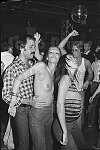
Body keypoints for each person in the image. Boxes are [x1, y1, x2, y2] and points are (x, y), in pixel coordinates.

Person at [7, 46, 61, 150]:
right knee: (40, 147)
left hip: (49, 112)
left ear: (59, 57)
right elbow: (19, 78)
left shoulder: (53, 71)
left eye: (57, 53)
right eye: (51, 52)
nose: (54, 54)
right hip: (38, 114)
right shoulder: (41, 66)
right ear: (47, 57)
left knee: (49, 144)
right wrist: (13, 100)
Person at [2, 33, 43, 150]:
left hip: (33, 109)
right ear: (21, 47)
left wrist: (37, 44)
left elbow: (43, 61)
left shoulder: (31, 64)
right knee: (24, 144)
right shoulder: (12, 68)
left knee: (33, 142)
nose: (33, 50)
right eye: (31, 47)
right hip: (21, 110)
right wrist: (28, 101)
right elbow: (6, 95)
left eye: (34, 47)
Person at [58, 35, 93, 128]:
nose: (73, 52)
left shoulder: (86, 62)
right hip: (68, 90)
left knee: (79, 114)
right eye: (72, 50)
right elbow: (60, 47)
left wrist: (87, 81)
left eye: (76, 50)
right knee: (66, 112)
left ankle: (76, 133)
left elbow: (90, 74)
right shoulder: (69, 58)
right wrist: (69, 35)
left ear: (80, 51)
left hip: (80, 91)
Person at [53, 54, 86, 150]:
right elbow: (59, 105)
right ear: (65, 65)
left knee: (82, 146)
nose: (74, 59)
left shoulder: (73, 79)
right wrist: (64, 132)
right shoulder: (65, 79)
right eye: (69, 58)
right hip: (62, 126)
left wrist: (80, 109)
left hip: (73, 123)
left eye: (73, 57)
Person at [87, 50, 100, 128]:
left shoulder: (94, 63)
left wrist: (90, 82)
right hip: (97, 84)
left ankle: (90, 123)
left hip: (95, 83)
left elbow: (90, 74)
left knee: (93, 104)